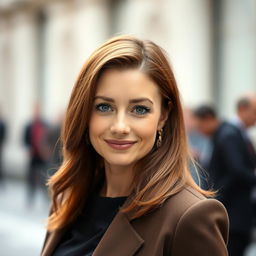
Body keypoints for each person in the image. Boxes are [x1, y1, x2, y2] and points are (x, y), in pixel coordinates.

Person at [41, 35, 229, 256]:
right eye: (103, 107)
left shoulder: (188, 217)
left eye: (139, 109)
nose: (120, 126)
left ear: (163, 116)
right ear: (84, 114)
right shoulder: (68, 199)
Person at [194, 101, 256, 256]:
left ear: (208, 119)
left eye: (200, 127)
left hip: (233, 213)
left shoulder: (228, 133)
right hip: (232, 213)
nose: (200, 132)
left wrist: (216, 196)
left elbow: (235, 171)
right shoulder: (227, 133)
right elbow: (232, 170)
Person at [24, 103, 49, 205]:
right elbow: (25, 139)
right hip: (33, 154)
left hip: (42, 154)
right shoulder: (28, 125)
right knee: (31, 177)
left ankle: (46, 197)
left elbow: (48, 139)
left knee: (43, 177)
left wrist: (47, 149)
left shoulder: (45, 124)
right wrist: (28, 148)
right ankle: (30, 198)